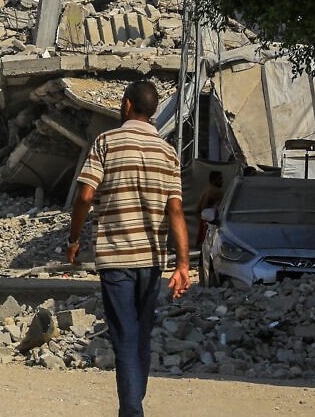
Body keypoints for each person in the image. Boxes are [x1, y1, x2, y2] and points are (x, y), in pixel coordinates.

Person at [66, 80, 190, 417]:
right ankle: (133, 405)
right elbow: (176, 210)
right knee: (140, 336)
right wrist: (182, 264)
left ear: (125, 105)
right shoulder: (168, 153)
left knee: (124, 337)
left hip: (116, 257)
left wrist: (74, 240)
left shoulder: (106, 142)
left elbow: (86, 196)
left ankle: (131, 411)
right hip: (152, 261)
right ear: (152, 112)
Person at [196, 170, 225, 245]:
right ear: (213, 180)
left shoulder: (206, 191)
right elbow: (222, 209)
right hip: (211, 225)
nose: (222, 181)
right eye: (220, 179)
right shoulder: (217, 192)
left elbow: (198, 209)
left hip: (203, 223)